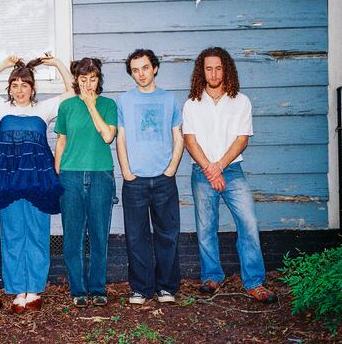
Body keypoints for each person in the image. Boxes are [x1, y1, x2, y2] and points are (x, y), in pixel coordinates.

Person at [0, 54, 74, 314]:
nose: (19, 90)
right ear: (10, 89)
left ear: (32, 88)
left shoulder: (44, 109)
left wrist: (58, 64)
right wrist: (4, 64)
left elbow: (72, 91)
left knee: (38, 234)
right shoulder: (2, 109)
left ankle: (35, 290)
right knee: (13, 235)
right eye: (14, 85)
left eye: (24, 85)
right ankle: (18, 290)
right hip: (9, 183)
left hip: (38, 183)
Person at [182, 47, 277, 303]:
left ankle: (255, 282)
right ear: (202, 71)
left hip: (232, 170)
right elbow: (190, 141)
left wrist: (219, 167)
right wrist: (210, 170)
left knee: (248, 223)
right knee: (205, 227)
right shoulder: (192, 104)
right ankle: (211, 277)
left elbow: (242, 139)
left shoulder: (241, 101)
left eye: (218, 68)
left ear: (227, 70)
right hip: (201, 171)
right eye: (208, 68)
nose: (213, 73)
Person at [116, 49, 184, 305]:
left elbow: (178, 136)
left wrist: (171, 168)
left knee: (167, 233)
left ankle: (166, 287)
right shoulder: (125, 101)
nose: (140, 74)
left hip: (164, 179)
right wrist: (126, 171)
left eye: (145, 67)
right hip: (135, 181)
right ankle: (141, 289)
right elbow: (121, 138)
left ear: (154, 68)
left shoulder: (169, 100)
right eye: (135, 70)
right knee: (136, 236)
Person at [54, 58, 117, 308]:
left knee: (99, 234)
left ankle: (98, 287)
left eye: (93, 79)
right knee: (73, 236)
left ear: (99, 79)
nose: (88, 84)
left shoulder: (108, 104)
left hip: (101, 174)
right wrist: (59, 175)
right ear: (76, 80)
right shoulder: (67, 106)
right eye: (83, 79)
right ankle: (78, 289)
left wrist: (92, 106)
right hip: (70, 175)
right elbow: (61, 142)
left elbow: (108, 135)